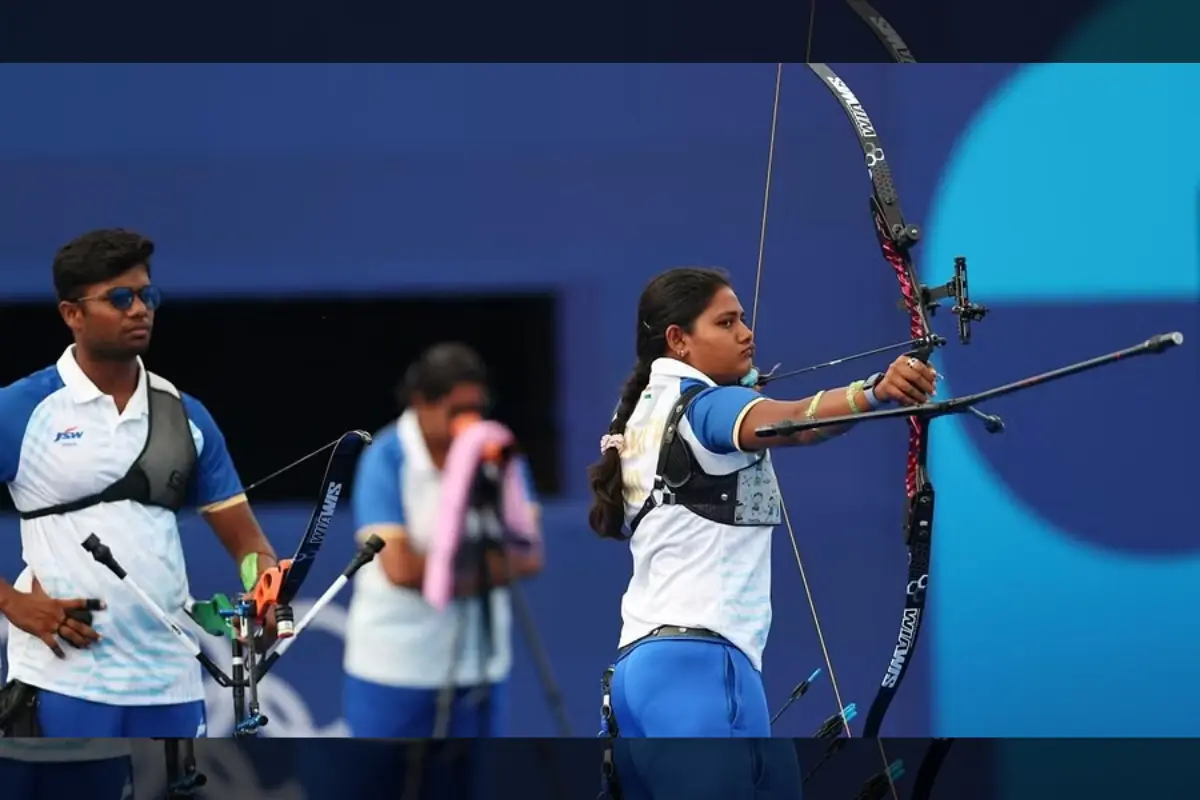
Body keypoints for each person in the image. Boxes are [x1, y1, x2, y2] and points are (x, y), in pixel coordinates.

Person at [587, 267, 938, 796]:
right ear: (678, 341)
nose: (746, 333)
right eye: (725, 323)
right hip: (701, 670)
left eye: (743, 319)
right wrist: (876, 391)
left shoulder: (637, 411)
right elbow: (795, 420)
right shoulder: (706, 406)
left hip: (640, 676)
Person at [0, 228, 281, 742]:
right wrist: (12, 603)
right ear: (72, 314)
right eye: (120, 298)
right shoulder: (20, 410)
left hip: (171, 681)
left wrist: (261, 587)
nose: (139, 310)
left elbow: (246, 544)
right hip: (65, 677)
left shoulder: (186, 415)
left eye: (147, 296)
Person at [341, 342, 543, 738]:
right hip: (394, 668)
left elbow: (530, 556)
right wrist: (485, 573)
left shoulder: (498, 453)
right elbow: (400, 569)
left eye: (476, 411)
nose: (467, 424)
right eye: (456, 412)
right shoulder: (386, 457)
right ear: (422, 403)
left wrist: (440, 575)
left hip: (480, 666)